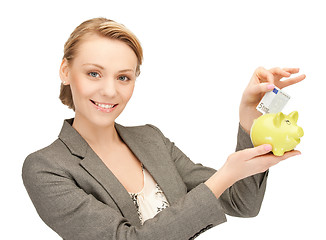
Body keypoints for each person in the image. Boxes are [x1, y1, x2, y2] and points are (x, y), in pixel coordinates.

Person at [22, 17, 305, 240]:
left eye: (123, 77)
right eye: (93, 73)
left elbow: (242, 203)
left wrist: (249, 121)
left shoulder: (150, 139)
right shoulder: (46, 167)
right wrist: (224, 176)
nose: (109, 91)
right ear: (65, 71)